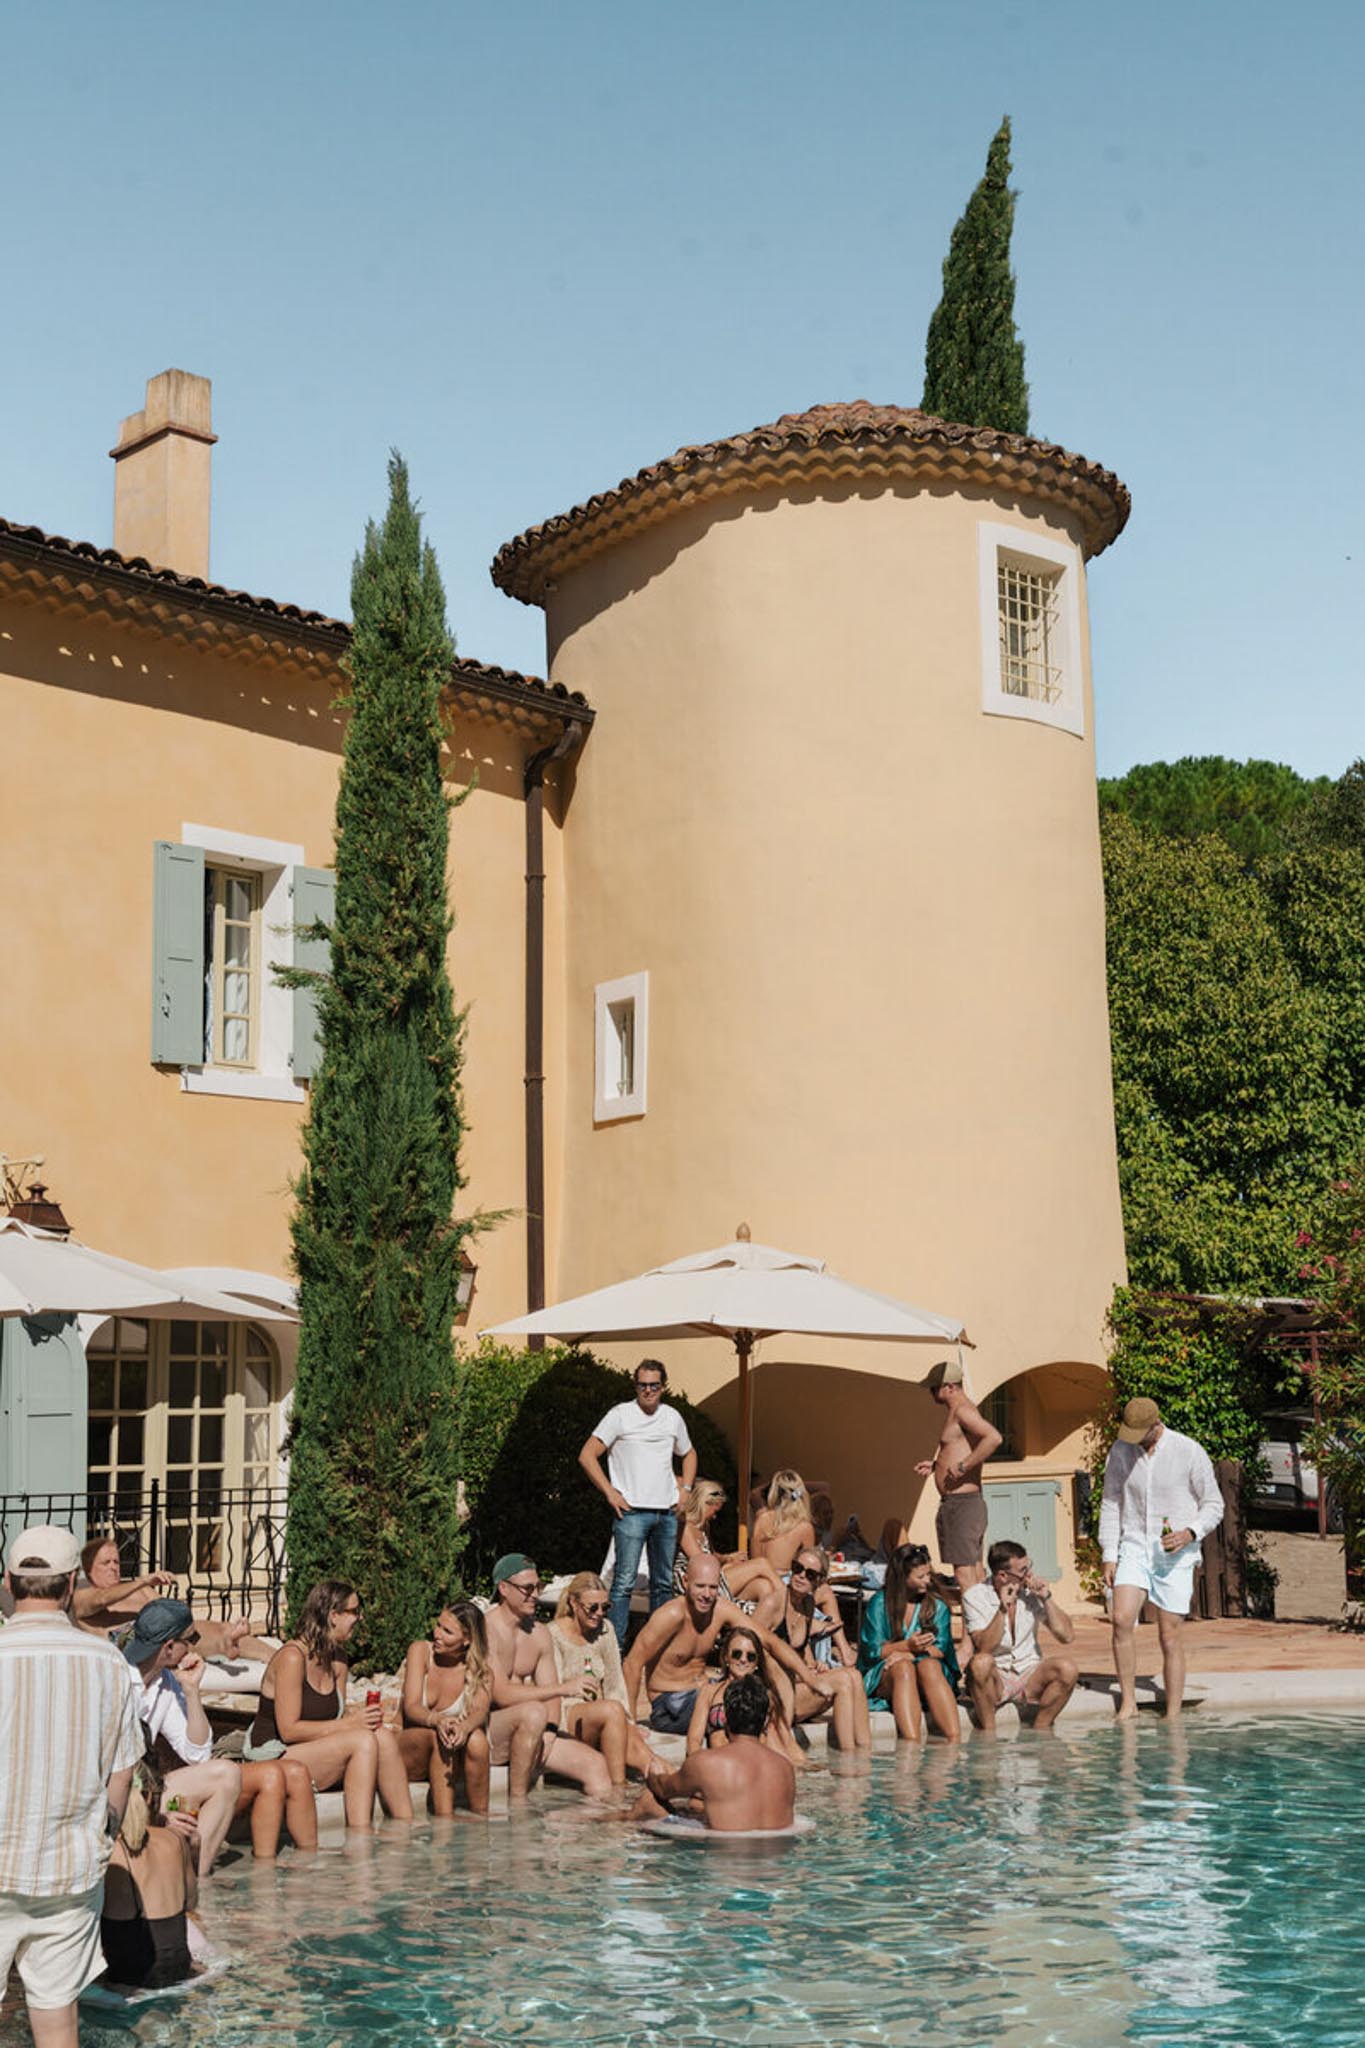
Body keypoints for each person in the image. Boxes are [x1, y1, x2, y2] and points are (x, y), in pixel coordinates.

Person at [0, 1524, 144, 2048]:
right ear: (69, 1588)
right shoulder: (107, 1662)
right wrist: (102, 1832)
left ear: (10, 1583)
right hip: (70, 1871)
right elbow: (122, 1771)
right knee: (58, 2024)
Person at [249, 1581, 412, 1830]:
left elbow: (336, 1720)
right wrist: (351, 1724)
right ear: (334, 1615)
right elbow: (289, 1730)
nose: (360, 1617)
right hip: (274, 1753)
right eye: (355, 1611)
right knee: (363, 1741)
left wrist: (360, 1720)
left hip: (312, 1750)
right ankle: (360, 1836)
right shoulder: (293, 1658)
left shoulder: (338, 1658)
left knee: (382, 1736)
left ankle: (407, 1826)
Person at [1100, 1396, 1225, 1719]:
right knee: (1121, 1618)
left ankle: (1172, 1713)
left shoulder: (1188, 1451)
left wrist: (1190, 1532)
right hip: (1134, 1545)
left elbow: (1214, 1504)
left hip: (1175, 1553)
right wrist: (1108, 1554)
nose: (1133, 1439)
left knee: (1168, 1633)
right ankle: (1128, 1703)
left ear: (1156, 1425)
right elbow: (1111, 1502)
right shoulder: (1120, 1450)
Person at [579, 1361, 698, 1647]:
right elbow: (587, 1455)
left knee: (661, 1584)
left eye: (654, 1385)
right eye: (642, 1385)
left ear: (663, 1387)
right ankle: (615, 1648)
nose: (648, 1390)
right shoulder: (620, 1415)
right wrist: (610, 1492)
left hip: (666, 1511)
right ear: (635, 1386)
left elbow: (690, 1453)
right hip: (631, 1512)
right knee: (623, 1584)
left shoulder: (672, 1417)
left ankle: (656, 1648)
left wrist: (686, 1489)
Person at [120, 1601, 243, 1876]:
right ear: (169, 1647)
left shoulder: (166, 1682)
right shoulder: (115, 1677)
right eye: (191, 1639)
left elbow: (197, 1755)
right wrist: (159, 1815)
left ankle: (196, 1879)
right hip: (114, 1792)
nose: (194, 1647)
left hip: (145, 1787)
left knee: (227, 1774)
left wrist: (191, 1690)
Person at [484, 1555, 613, 1801]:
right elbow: (499, 1694)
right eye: (527, 1588)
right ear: (503, 1588)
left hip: (533, 1730)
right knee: (533, 1713)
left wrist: (550, 1732)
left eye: (538, 1587)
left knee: (596, 1766)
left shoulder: (539, 1633)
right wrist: (562, 1688)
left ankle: (587, 1836)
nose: (535, 1594)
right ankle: (518, 1809)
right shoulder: (487, 1630)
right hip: (490, 1730)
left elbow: (550, 1695)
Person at [630, 1675, 797, 1832]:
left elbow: (663, 1789)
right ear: (765, 1721)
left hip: (725, 1857)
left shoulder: (706, 1762)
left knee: (650, 1801)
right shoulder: (786, 1768)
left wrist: (653, 1774)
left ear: (725, 1718)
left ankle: (613, 1823)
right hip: (775, 1859)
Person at [74, 1536, 275, 1662]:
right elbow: (101, 1599)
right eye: (106, 1563)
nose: (113, 1567)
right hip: (127, 1644)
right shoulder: (82, 1594)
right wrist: (143, 1581)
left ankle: (269, 1656)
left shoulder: (138, 1590)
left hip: (167, 1637)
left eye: (116, 1562)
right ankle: (223, 1644)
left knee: (214, 1627)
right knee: (164, 1633)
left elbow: (170, 1611)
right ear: (89, 1569)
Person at [623, 1553, 757, 1735]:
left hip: (702, 1690)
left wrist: (806, 1676)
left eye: (713, 1588)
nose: (707, 1594)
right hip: (669, 1706)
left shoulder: (719, 1609)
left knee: (760, 1695)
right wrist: (630, 1725)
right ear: (686, 1582)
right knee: (737, 1704)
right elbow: (632, 1664)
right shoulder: (671, 1615)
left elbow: (764, 1639)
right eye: (700, 1586)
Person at [99, 1757, 198, 1992]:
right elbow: (192, 1902)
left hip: (128, 1978)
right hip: (178, 1968)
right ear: (150, 1797)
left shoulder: (109, 1850)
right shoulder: (175, 1839)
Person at [549, 1574, 656, 1785]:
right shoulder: (553, 1634)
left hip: (604, 1714)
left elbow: (615, 1684)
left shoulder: (605, 1630)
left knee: (642, 1753)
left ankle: (673, 1785)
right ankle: (618, 1787)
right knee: (612, 1710)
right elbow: (554, 1693)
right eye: (592, 1608)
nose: (599, 1614)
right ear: (573, 1602)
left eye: (605, 1607)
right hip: (567, 1716)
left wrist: (628, 1722)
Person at [963, 1540, 1078, 1734]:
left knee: (1068, 1669)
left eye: (1028, 1567)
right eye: (1023, 1571)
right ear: (1002, 1575)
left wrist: (1046, 1597)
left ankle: (1041, 1732)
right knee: (980, 1663)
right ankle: (989, 1736)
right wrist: (1002, 1608)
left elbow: (1067, 1636)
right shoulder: (974, 1597)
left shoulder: (1029, 1593)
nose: (1029, 1574)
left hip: (1028, 1671)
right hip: (996, 1676)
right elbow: (984, 1647)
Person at [770, 1546, 872, 1754]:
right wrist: (804, 1675)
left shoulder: (807, 1605)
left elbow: (803, 1651)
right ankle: (848, 1760)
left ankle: (864, 1754)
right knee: (843, 1680)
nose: (800, 1576)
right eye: (797, 1568)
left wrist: (815, 1667)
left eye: (809, 1574)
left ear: (819, 1581)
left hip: (795, 1688)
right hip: (774, 1694)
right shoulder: (774, 1602)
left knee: (853, 1676)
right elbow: (749, 1647)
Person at [914, 1359, 1002, 1597]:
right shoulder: (960, 1410)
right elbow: (961, 1447)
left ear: (950, 1387)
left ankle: (971, 1634)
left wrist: (964, 1467)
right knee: (975, 1574)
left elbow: (993, 1438)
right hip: (964, 1504)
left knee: (965, 1577)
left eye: (935, 1388)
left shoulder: (962, 1410)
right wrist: (936, 1465)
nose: (932, 1393)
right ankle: (977, 1632)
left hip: (962, 1505)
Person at [859, 1541, 961, 1742]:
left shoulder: (936, 1605)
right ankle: (911, 1746)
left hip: (929, 1674)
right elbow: (872, 1652)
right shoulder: (879, 1604)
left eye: (929, 1574)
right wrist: (907, 1647)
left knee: (929, 1666)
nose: (928, 1581)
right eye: (921, 1577)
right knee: (903, 1668)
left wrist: (909, 1653)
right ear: (903, 1578)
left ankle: (955, 1744)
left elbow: (942, 1649)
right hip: (889, 1675)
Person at [399, 1599, 491, 1818]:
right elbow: (411, 1707)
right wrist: (439, 1720)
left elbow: (479, 1712)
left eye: (447, 1631)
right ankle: (445, 1821)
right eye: (438, 1625)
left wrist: (464, 1728)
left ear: (467, 1639)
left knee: (477, 1740)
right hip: (409, 1748)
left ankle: (481, 1818)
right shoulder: (421, 1651)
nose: (437, 1634)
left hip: (449, 1758)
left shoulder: (481, 1673)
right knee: (437, 1735)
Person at [684, 1624, 804, 1767]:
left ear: (757, 1663)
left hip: (757, 1767)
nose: (743, 1660)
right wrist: (701, 1770)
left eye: (751, 1656)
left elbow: (787, 1741)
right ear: (726, 1657)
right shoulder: (709, 1692)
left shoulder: (766, 1696)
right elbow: (694, 1741)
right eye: (737, 1654)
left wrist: (809, 1770)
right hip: (723, 1768)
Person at [674, 1481, 784, 1626]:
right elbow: (701, 1562)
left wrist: (729, 1558)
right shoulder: (686, 1528)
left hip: (711, 1577)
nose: (715, 1517)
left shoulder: (703, 1527)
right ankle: (789, 1610)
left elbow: (713, 1555)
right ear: (704, 1504)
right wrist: (727, 1566)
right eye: (715, 1511)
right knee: (762, 1564)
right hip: (696, 1582)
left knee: (763, 1586)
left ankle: (754, 1636)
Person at [749, 1470, 817, 1576]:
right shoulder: (804, 1527)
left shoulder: (761, 1519)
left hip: (759, 1578)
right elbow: (808, 1568)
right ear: (802, 1494)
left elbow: (755, 1559)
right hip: (784, 1582)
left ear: (774, 1493)